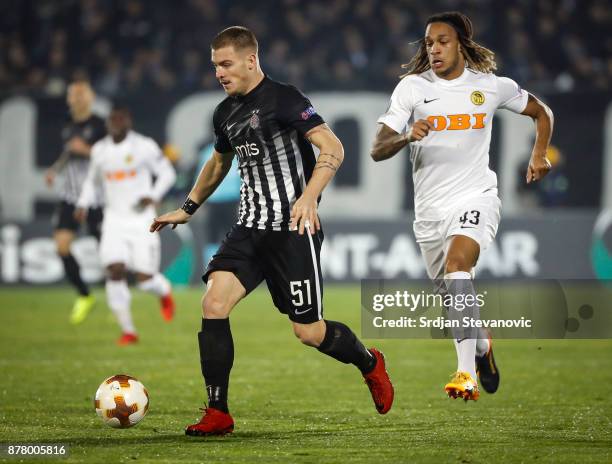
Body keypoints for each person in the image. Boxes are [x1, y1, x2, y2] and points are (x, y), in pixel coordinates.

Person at [151, 26, 394, 436]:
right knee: (213, 305)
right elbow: (218, 164)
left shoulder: (285, 98)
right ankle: (218, 412)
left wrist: (309, 198)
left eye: (226, 64)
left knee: (309, 332)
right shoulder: (224, 112)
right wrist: (188, 208)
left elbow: (332, 147)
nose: (219, 73)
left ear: (250, 60)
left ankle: (370, 363)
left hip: (292, 231)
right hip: (249, 229)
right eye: (215, 66)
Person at [371, 12, 553, 401]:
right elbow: (376, 149)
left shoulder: (490, 87)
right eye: (428, 43)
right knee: (453, 296)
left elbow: (542, 112)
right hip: (429, 214)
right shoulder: (412, 89)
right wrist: (406, 136)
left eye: (442, 41)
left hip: (476, 197)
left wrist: (538, 155)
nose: (433, 49)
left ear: (461, 45)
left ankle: (464, 373)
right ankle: (483, 348)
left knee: (459, 267)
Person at [76, 104, 177, 345]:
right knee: (114, 270)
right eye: (113, 120)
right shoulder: (99, 150)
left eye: (121, 119)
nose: (117, 124)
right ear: (108, 123)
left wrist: (153, 194)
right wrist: (82, 203)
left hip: (142, 220)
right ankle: (128, 331)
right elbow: (92, 181)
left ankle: (163, 291)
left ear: (129, 122)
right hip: (113, 220)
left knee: (145, 280)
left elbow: (167, 173)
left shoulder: (144, 146)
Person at [45, 79, 106, 324]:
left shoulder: (101, 125)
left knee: (108, 254)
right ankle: (84, 295)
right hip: (70, 196)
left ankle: (118, 301)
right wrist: (55, 170)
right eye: (74, 95)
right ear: (69, 99)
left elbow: (109, 157)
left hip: (95, 199)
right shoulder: (67, 125)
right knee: (61, 246)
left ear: (90, 97)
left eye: (82, 94)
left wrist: (88, 151)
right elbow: (69, 152)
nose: (78, 99)